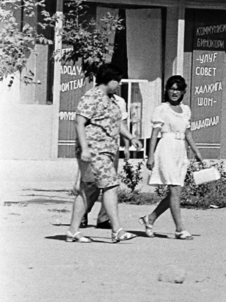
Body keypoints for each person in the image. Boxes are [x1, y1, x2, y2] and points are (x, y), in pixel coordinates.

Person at [67, 65, 132, 242]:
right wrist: (85, 149)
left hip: (107, 149)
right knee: (110, 185)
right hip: (94, 149)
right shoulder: (91, 97)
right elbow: (79, 122)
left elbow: (116, 124)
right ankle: (117, 229)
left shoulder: (112, 100)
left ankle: (73, 230)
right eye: (116, 80)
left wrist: (131, 137)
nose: (118, 84)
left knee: (88, 190)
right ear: (108, 79)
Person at [141, 75, 205, 239]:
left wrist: (197, 154)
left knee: (175, 192)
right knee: (175, 190)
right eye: (171, 88)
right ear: (166, 90)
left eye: (178, 89)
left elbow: (188, 133)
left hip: (180, 151)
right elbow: (154, 134)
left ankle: (150, 218)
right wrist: (150, 156)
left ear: (183, 91)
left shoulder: (186, 110)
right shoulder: (162, 109)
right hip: (166, 149)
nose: (174, 92)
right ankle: (180, 229)